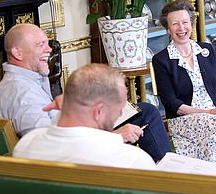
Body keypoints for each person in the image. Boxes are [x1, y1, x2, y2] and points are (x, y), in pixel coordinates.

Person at [0, 23, 172, 162]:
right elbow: (53, 149)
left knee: (143, 110)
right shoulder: (23, 95)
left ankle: (167, 173)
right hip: (75, 158)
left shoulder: (23, 81)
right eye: (41, 45)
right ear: (18, 53)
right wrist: (114, 137)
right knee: (146, 115)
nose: (49, 49)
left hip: (74, 136)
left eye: (47, 43)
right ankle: (170, 179)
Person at [152, 0, 216, 174]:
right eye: (175, 24)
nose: (181, 28)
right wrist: (208, 113)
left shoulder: (206, 50)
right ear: (168, 29)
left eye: (185, 22)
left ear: (191, 24)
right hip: (185, 120)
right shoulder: (162, 60)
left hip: (215, 118)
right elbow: (171, 103)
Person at [13, 63, 156, 170]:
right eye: (119, 109)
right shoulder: (132, 161)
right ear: (98, 111)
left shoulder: (25, 145)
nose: (119, 114)